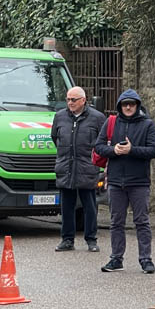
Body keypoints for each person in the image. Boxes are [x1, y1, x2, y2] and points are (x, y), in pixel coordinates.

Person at [93, 89, 155, 273]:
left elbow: (154, 150)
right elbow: (98, 147)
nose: (128, 107)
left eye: (131, 104)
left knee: (142, 222)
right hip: (116, 181)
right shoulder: (111, 122)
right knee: (116, 222)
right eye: (125, 104)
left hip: (139, 182)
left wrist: (132, 150)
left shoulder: (147, 124)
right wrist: (113, 150)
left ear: (137, 105)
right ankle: (116, 258)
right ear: (120, 106)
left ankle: (146, 259)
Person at [51, 86, 106, 253]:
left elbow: (103, 141)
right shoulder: (60, 116)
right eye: (68, 99)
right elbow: (55, 137)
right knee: (66, 206)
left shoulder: (97, 118)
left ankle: (91, 239)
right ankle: (67, 239)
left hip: (87, 168)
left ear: (83, 100)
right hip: (66, 167)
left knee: (89, 206)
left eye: (73, 99)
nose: (70, 103)